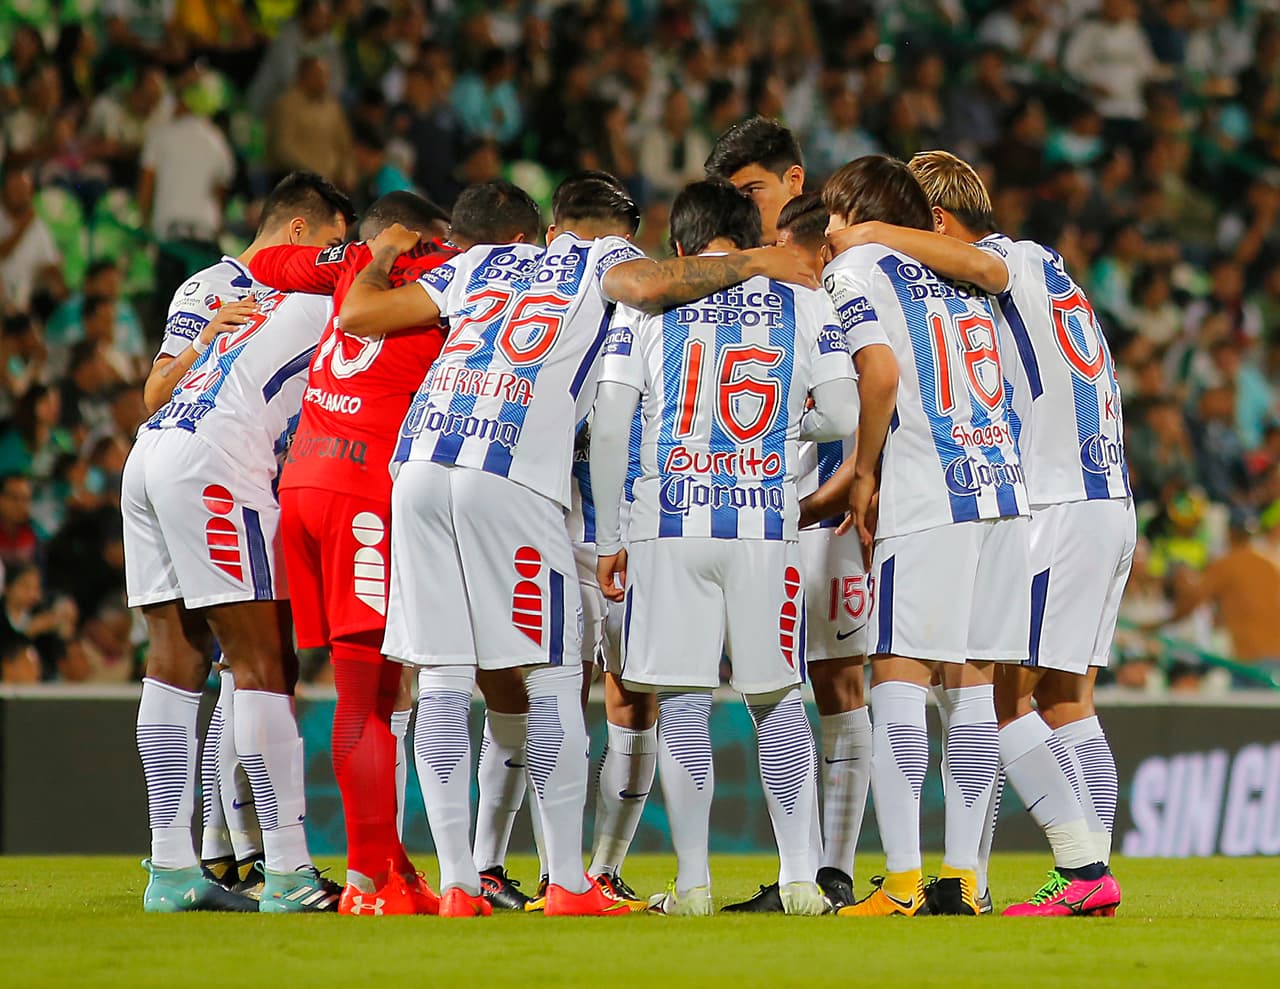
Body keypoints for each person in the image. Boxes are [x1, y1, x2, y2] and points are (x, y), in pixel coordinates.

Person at [335, 170, 817, 917]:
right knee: (555, 672)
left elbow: (360, 314)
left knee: (441, 675)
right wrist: (756, 260)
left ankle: (460, 883)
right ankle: (566, 880)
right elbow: (648, 284)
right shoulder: (601, 259)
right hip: (512, 471)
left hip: (421, 463)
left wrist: (381, 251)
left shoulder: (480, 262)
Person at [830, 149, 1131, 917]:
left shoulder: (996, 261)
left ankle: (1073, 870)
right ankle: (1015, 873)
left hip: (1048, 499)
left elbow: (975, 273)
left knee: (995, 695)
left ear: (934, 224)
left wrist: (870, 232)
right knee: (1054, 696)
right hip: (1078, 492)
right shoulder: (1047, 266)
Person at [247, 188, 520, 917]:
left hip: (302, 480)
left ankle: (388, 860)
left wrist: (356, 252)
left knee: (374, 688)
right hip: (360, 495)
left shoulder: (351, 266)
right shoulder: (439, 275)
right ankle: (368, 881)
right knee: (369, 693)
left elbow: (268, 260)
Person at [592, 178, 858, 916]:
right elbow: (840, 411)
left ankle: (695, 883)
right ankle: (802, 878)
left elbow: (611, 422)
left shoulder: (646, 298)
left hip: (668, 521)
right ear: (749, 238)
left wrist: (610, 535)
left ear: (680, 246)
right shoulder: (806, 298)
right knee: (776, 702)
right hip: (765, 526)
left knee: (682, 701)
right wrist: (774, 438)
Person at [121, 176, 353, 914]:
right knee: (262, 664)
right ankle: (287, 871)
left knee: (176, 658)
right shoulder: (240, 291)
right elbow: (156, 386)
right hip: (216, 464)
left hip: (153, 459)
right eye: (328, 246)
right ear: (296, 233)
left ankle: (171, 867)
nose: (332, 259)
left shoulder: (265, 298)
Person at [818, 155, 1029, 918]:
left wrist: (864, 471)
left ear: (852, 212)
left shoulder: (859, 266)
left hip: (929, 486)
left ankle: (902, 882)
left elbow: (876, 375)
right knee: (971, 683)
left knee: (900, 675)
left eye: (830, 218)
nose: (826, 235)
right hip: (1000, 490)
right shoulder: (962, 272)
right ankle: (964, 878)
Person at [708, 121, 874, 912]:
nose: (747, 208)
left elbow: (875, 382)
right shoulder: (753, 276)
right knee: (774, 684)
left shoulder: (840, 263)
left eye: (753, 190)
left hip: (833, 505)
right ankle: (799, 871)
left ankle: (834, 868)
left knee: (842, 678)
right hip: (769, 508)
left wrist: (857, 478)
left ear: (795, 181)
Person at [705, 116, 806, 245]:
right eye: (730, 200)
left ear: (794, 180)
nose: (740, 211)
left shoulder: (836, 255)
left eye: (751, 191)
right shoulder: (721, 261)